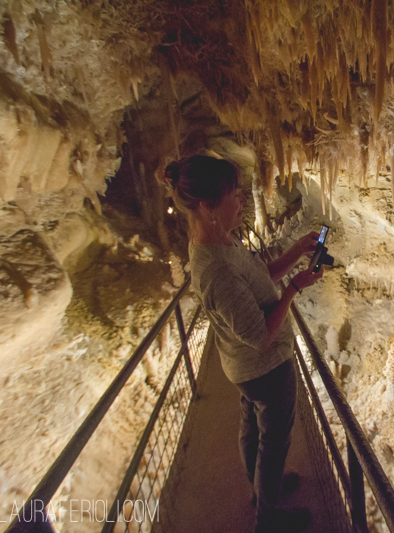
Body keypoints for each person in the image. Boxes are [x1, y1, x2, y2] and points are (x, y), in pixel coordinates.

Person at [165, 155, 322, 533]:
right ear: (206, 205)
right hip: (263, 368)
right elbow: (260, 337)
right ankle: (268, 519)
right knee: (273, 443)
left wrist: (298, 251)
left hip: (243, 369)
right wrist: (295, 289)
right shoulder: (215, 270)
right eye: (233, 194)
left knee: (252, 428)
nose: (241, 200)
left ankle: (261, 490)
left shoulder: (221, 240)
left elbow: (259, 275)